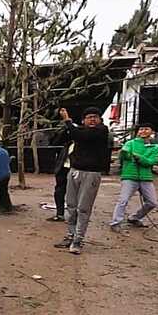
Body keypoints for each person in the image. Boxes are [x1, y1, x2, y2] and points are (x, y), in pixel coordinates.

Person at [53, 107, 110, 255]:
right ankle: (71, 235)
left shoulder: (101, 131)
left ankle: (78, 240)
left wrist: (67, 119)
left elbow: (80, 135)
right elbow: (61, 138)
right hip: (74, 171)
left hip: (91, 173)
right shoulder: (78, 131)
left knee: (83, 208)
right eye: (89, 117)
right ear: (83, 120)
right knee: (71, 206)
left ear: (100, 120)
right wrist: (67, 126)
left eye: (95, 117)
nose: (92, 120)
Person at [109, 123, 158, 232]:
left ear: (152, 132)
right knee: (123, 200)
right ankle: (115, 222)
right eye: (141, 129)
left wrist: (139, 158)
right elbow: (125, 154)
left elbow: (152, 161)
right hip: (129, 176)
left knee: (152, 202)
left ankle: (135, 217)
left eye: (146, 129)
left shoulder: (156, 147)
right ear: (138, 132)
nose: (143, 131)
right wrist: (124, 153)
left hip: (146, 177)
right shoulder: (130, 143)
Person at [47, 120, 74, 222]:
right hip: (63, 169)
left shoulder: (82, 144)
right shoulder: (66, 144)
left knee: (74, 194)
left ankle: (74, 215)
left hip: (75, 170)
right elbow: (54, 143)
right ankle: (60, 214)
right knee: (59, 191)